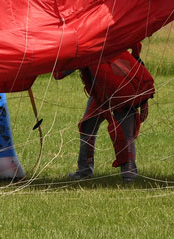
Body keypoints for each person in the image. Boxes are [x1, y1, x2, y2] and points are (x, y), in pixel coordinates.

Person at [59, 45, 154, 182]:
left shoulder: (92, 45)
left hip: (120, 90)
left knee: (124, 133)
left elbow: (62, 72)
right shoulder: (99, 42)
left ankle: (128, 174)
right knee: (88, 127)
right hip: (102, 91)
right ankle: (87, 171)